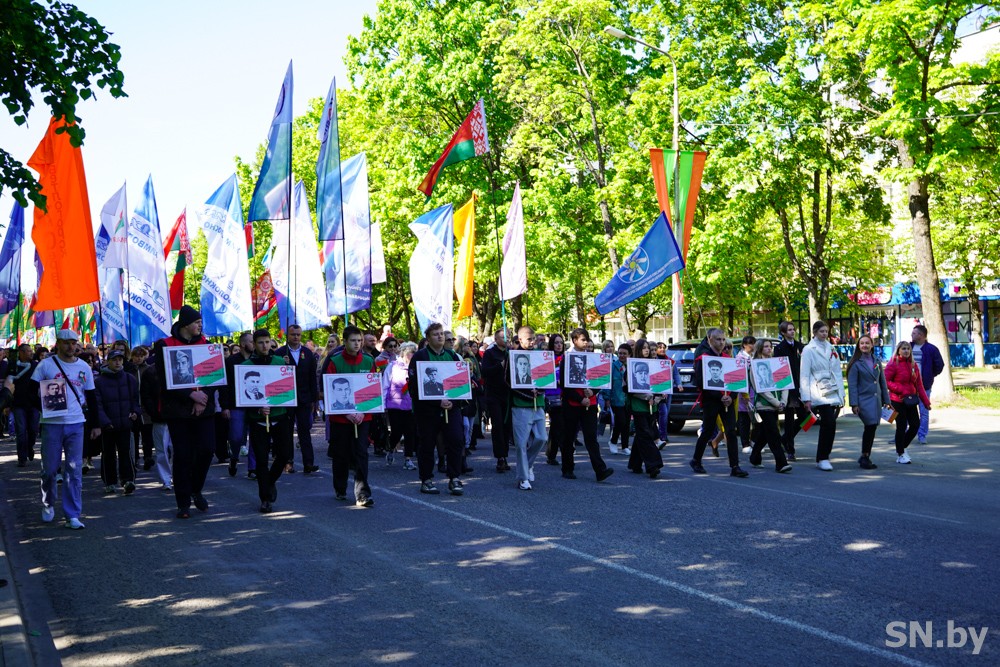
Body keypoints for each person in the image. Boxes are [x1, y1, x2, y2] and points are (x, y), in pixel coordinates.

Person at [153, 306, 219, 519]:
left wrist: (203, 398)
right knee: (182, 455)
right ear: (185, 325)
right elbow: (165, 380)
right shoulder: (164, 345)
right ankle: (183, 502)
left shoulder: (206, 345)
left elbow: (213, 376)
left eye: (201, 322)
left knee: (207, 450)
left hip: (204, 409)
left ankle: (196, 488)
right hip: (178, 410)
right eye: (197, 322)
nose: (200, 326)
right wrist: (191, 395)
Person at [30, 329, 101, 529]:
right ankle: (48, 503)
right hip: (52, 424)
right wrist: (44, 407)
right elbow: (29, 393)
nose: (71, 347)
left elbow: (92, 398)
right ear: (58, 343)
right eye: (66, 343)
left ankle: (72, 514)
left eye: (74, 343)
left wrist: (95, 424)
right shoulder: (45, 365)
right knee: (50, 470)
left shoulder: (84, 367)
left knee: (74, 469)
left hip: (76, 423)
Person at [234, 329, 293, 513]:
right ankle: (265, 498)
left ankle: (269, 481)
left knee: (284, 455)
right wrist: (257, 407)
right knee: (261, 460)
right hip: (258, 421)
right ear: (253, 344)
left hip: (280, 417)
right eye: (260, 342)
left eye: (267, 342)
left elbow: (288, 390)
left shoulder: (279, 363)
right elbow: (241, 397)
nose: (265, 346)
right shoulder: (246, 365)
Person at [407, 322, 468, 496]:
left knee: (456, 440)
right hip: (428, 411)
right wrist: (436, 403)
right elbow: (414, 388)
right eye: (436, 334)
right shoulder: (419, 357)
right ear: (428, 339)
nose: (440, 337)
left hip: (451, 409)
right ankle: (426, 479)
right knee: (427, 444)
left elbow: (461, 385)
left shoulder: (453, 356)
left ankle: (454, 477)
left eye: (441, 333)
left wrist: (453, 403)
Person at [320, 326, 376, 506]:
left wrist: (362, 411)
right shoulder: (334, 361)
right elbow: (329, 391)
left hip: (362, 417)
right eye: (353, 340)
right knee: (341, 454)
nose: (357, 344)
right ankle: (340, 487)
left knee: (361, 453)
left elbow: (373, 390)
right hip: (340, 418)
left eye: (359, 340)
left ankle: (362, 494)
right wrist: (346, 412)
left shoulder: (368, 360)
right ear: (345, 341)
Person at [689, 328, 748, 478]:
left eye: (723, 340)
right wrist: (719, 396)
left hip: (727, 401)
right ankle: (696, 460)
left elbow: (736, 382)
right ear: (710, 340)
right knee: (708, 431)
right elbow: (701, 383)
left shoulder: (728, 359)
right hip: (711, 401)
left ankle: (735, 466)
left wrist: (732, 396)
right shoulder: (703, 359)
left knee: (731, 431)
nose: (721, 343)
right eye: (718, 340)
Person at [559, 328, 614, 482]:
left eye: (586, 339)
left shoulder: (593, 358)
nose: (586, 342)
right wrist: (579, 398)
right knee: (569, 437)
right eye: (582, 339)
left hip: (590, 403)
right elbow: (564, 385)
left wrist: (593, 391)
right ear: (574, 341)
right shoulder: (567, 358)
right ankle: (567, 468)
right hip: (572, 404)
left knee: (591, 438)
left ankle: (600, 470)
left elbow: (600, 379)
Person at [505, 326, 547, 490]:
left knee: (542, 438)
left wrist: (540, 391)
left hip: (539, 404)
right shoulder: (512, 356)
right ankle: (523, 478)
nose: (532, 341)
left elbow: (547, 378)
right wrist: (529, 394)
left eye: (534, 338)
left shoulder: (541, 356)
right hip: (521, 405)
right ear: (520, 340)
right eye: (529, 339)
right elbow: (508, 382)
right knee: (521, 443)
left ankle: (528, 464)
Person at [275, 324, 321, 474]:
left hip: (304, 398)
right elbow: (274, 377)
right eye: (293, 334)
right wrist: (282, 363)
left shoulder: (308, 353)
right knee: (286, 432)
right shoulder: (280, 353)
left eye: (298, 335)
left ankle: (309, 463)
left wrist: (314, 400)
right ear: (287, 335)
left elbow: (312, 378)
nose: (296, 337)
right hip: (286, 397)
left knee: (305, 431)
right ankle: (288, 462)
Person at [800, 320, 845, 471]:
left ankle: (823, 456)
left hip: (830, 389)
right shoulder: (808, 350)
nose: (825, 334)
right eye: (821, 331)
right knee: (828, 422)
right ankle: (823, 457)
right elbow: (804, 374)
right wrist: (806, 397)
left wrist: (841, 394)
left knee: (830, 424)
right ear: (814, 332)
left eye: (826, 331)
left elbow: (837, 372)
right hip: (817, 389)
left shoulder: (831, 347)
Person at [94, 350, 141, 494]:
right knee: (108, 454)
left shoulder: (129, 379)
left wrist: (135, 412)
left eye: (120, 359)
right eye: (114, 359)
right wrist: (104, 421)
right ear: (108, 361)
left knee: (126, 452)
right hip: (108, 425)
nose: (118, 362)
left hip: (125, 423)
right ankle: (110, 481)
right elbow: (98, 404)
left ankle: (128, 480)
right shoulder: (99, 381)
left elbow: (135, 399)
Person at [746, 339, 793, 474]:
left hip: (777, 404)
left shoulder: (777, 363)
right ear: (760, 348)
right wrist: (777, 403)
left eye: (770, 346)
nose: (769, 348)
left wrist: (783, 401)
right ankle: (781, 463)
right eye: (766, 346)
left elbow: (785, 383)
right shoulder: (754, 365)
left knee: (766, 433)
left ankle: (755, 457)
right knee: (774, 433)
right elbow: (760, 389)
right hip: (764, 405)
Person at [846, 335, 891, 469]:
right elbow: (852, 385)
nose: (864, 345)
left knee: (872, 427)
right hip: (863, 400)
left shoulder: (876, 360)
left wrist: (887, 400)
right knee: (870, 425)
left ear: (872, 345)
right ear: (858, 346)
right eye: (862, 343)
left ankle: (866, 455)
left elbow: (882, 381)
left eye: (867, 343)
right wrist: (854, 404)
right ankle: (864, 456)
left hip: (876, 400)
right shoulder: (855, 363)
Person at [884, 341, 931, 465]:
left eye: (908, 349)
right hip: (896, 400)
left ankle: (902, 447)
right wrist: (900, 389)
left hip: (910, 400)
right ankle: (901, 454)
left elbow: (919, 385)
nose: (906, 351)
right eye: (903, 349)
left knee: (915, 425)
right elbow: (886, 381)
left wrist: (926, 402)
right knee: (901, 425)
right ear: (898, 350)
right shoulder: (893, 364)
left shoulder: (913, 365)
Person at [626, 339, 664, 478]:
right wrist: (645, 396)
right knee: (645, 435)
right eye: (644, 348)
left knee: (642, 436)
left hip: (651, 407)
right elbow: (629, 388)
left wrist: (660, 395)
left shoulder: (654, 365)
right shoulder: (632, 366)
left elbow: (658, 385)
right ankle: (653, 464)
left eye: (648, 348)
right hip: (638, 406)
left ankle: (635, 463)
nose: (647, 350)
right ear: (638, 350)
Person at [220, 332, 254, 478]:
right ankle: (234, 457)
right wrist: (225, 406)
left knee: (256, 437)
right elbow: (225, 385)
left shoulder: (257, 360)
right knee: (235, 436)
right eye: (252, 341)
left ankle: (253, 468)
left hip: (254, 404)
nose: (255, 344)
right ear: (243, 344)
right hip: (235, 404)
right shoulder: (231, 361)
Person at [480, 328, 512, 473]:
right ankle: (500, 457)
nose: (507, 339)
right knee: (498, 425)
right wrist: (499, 365)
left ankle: (505, 454)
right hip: (493, 394)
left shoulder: (511, 353)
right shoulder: (490, 353)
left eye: (509, 337)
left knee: (506, 426)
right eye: (503, 337)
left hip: (508, 394)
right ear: (496, 339)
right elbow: (485, 372)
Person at [774, 321, 805, 461]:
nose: (792, 332)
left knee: (807, 417)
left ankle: (784, 439)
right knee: (789, 419)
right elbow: (778, 369)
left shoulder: (800, 346)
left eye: (793, 329)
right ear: (783, 333)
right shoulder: (780, 348)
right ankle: (790, 450)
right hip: (788, 387)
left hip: (802, 386)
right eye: (789, 330)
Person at [384, 341, 417, 470]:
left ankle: (408, 459)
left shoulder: (416, 367)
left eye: (415, 352)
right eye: (411, 352)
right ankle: (391, 449)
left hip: (412, 405)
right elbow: (385, 384)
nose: (413, 355)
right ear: (403, 353)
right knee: (396, 432)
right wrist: (381, 404)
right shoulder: (392, 366)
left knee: (410, 432)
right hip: (395, 405)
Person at [910, 324, 944, 444]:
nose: (912, 335)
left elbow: (939, 365)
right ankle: (903, 434)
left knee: (924, 412)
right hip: (908, 387)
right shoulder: (908, 347)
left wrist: (929, 375)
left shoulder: (931, 349)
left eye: (914, 333)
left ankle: (922, 435)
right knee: (905, 411)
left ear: (921, 335)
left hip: (924, 386)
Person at [9, 343, 40, 467]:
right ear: (21, 353)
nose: (31, 353)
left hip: (33, 404)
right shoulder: (13, 366)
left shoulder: (36, 366)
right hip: (18, 404)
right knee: (21, 432)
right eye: (28, 351)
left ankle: (30, 448)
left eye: (31, 351)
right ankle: (22, 457)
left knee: (33, 430)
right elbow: (8, 385)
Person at [543, 334, 566, 466]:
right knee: (558, 425)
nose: (559, 345)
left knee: (558, 426)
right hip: (551, 395)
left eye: (561, 343)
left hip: (564, 395)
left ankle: (551, 454)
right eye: (556, 342)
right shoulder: (547, 359)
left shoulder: (566, 358)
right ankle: (563, 454)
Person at [608, 343, 631, 456]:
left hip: (628, 399)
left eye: (624, 353)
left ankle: (625, 446)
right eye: (620, 353)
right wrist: (607, 398)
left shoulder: (631, 366)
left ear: (629, 354)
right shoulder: (613, 366)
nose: (621, 355)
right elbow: (608, 383)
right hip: (616, 398)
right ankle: (613, 441)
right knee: (620, 421)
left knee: (626, 423)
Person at [736, 335, 756, 454]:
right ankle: (745, 443)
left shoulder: (754, 357)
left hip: (755, 391)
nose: (752, 346)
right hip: (744, 391)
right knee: (744, 418)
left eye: (754, 343)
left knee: (756, 418)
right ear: (744, 345)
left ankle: (753, 440)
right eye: (750, 344)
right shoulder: (740, 358)